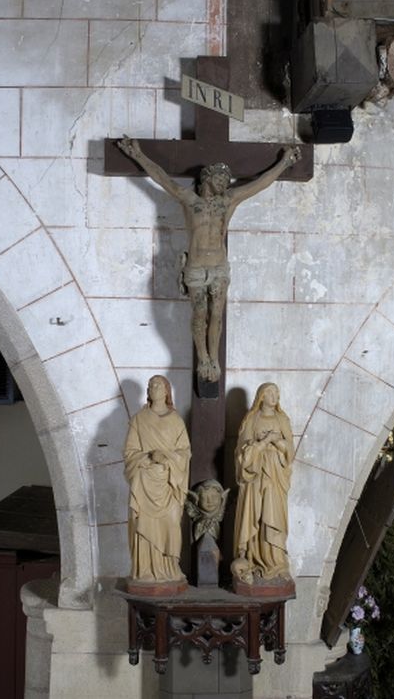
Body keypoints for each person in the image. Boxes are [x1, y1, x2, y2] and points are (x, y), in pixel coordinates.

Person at [118, 136, 301, 382]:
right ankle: (203, 357)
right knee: (199, 312)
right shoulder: (189, 200)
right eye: (219, 179)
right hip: (195, 266)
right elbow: (161, 179)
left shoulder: (228, 202)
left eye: (226, 180)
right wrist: (138, 155)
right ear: (207, 178)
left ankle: (213, 359)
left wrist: (284, 163)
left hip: (218, 266)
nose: (224, 183)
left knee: (217, 313)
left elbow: (259, 184)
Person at [124, 375, 191, 582]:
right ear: (148, 391)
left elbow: (185, 452)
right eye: (151, 385)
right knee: (143, 525)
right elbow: (130, 452)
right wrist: (149, 456)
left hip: (169, 482)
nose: (154, 388)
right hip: (144, 482)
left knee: (171, 523)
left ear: (166, 391)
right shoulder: (139, 419)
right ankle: (145, 571)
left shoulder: (176, 420)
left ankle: (170, 569)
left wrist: (167, 458)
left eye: (159, 385)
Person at [232, 383, 294, 583]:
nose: (274, 396)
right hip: (255, 476)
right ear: (261, 396)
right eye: (270, 392)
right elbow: (242, 453)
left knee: (273, 516)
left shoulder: (282, 419)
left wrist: (276, 441)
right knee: (255, 516)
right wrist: (263, 443)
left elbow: (290, 451)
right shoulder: (252, 419)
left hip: (275, 476)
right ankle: (252, 559)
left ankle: (276, 562)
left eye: (277, 392)